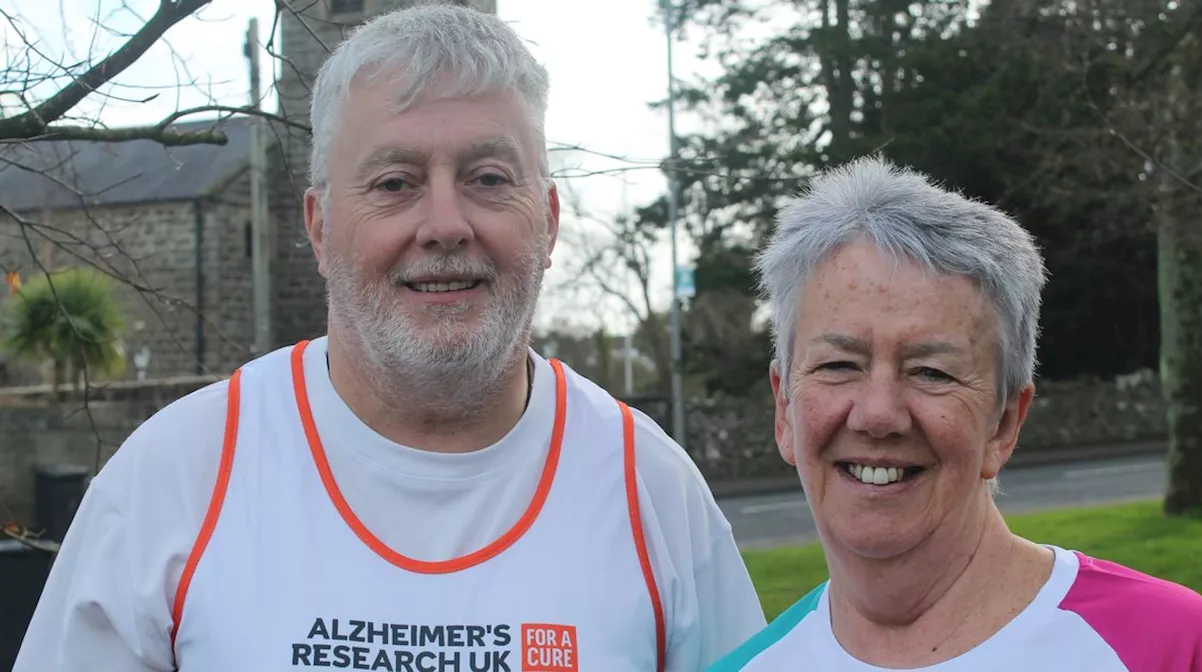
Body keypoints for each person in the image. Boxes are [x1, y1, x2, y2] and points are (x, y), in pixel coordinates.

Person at [14, 5, 765, 670]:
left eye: (490, 178)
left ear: (551, 221)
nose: (443, 225)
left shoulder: (652, 492)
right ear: (316, 225)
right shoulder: (173, 479)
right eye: (394, 183)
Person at [709, 156, 1202, 671]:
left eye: (931, 372)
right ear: (784, 408)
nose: (877, 415)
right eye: (839, 364)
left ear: (1005, 423)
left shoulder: (1161, 649)